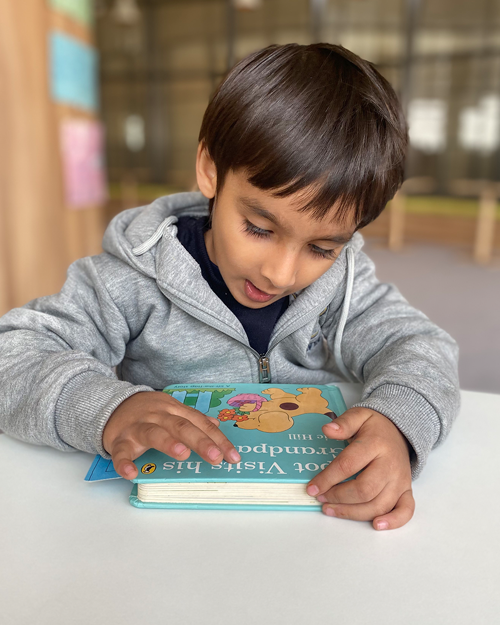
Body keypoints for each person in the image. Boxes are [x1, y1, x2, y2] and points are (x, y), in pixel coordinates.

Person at [0, 43, 459, 530]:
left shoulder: (343, 282)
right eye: (259, 228)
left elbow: (421, 346)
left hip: (314, 522)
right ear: (210, 171)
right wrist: (108, 408)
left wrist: (398, 422)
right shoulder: (126, 281)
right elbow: (13, 354)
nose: (281, 274)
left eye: (321, 248)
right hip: (165, 526)